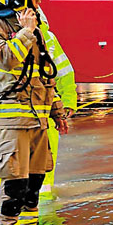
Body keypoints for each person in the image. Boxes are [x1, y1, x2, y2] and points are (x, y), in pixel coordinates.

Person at [0, 0, 68, 225]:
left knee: (34, 184)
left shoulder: (35, 32)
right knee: (13, 186)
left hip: (37, 120)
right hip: (9, 122)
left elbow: (45, 76)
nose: (39, 4)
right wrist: (26, 33)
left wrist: (58, 112)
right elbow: (6, 58)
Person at [39, 19, 77, 196]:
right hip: (21, 114)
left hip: (43, 112)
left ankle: (41, 204)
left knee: (45, 161)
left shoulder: (48, 37)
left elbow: (64, 71)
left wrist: (67, 102)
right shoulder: (2, 35)